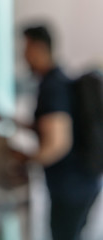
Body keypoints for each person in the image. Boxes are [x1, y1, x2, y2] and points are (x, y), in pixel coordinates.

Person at [11, 25, 101, 240]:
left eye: (26, 48)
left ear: (38, 48)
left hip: (72, 186)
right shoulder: (58, 81)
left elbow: (58, 143)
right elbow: (49, 126)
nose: (23, 56)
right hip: (82, 182)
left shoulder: (53, 87)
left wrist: (26, 161)